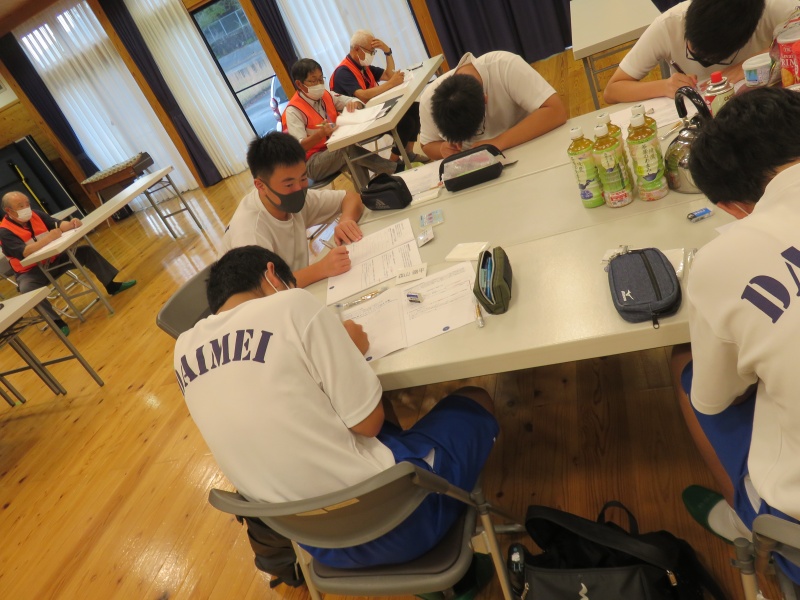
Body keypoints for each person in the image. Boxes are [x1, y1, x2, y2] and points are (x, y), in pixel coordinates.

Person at [174, 245, 499, 569]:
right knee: (475, 399)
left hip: (319, 544)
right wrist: (349, 349)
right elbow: (369, 425)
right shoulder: (291, 304)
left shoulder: (182, 349)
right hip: (402, 523)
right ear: (272, 276)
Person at [670, 87, 800, 584]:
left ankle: (748, 519)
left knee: (688, 371)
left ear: (732, 207)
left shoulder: (721, 260)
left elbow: (716, 398)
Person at [221, 132, 364, 288]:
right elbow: (266, 289)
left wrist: (346, 221)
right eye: (288, 184)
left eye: (303, 178)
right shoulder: (249, 230)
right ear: (261, 186)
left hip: (299, 289)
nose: (298, 188)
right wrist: (321, 268)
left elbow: (351, 198)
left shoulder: (293, 198)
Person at [604, 0, 795, 104]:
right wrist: (664, 86)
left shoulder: (772, 9)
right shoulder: (669, 25)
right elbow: (612, 90)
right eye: (693, 51)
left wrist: (742, 67)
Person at [0, 191, 136, 335]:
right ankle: (57, 322)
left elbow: (57, 224)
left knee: (86, 251)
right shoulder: (4, 232)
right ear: (9, 211)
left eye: (27, 203)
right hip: (31, 272)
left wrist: (71, 224)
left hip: (53, 259)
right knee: (27, 289)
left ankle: (112, 286)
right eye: (21, 206)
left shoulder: (36, 214)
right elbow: (25, 252)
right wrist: (49, 238)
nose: (26, 208)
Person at [418, 51, 567, 160]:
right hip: (478, 166)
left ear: (485, 99)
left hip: (528, 147)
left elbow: (556, 111)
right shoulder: (428, 100)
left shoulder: (505, 66)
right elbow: (427, 145)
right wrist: (442, 149)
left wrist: (498, 142)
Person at [282, 58, 402, 185]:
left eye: (321, 79)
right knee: (347, 151)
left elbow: (352, 100)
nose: (319, 84)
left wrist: (355, 104)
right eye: (313, 81)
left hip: (334, 148)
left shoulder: (325, 94)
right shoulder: (293, 111)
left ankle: (368, 191)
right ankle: (395, 169)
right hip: (311, 163)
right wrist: (320, 134)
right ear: (299, 84)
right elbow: (298, 148)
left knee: (353, 160)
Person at [330, 29, 427, 164]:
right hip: (357, 120)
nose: (372, 55)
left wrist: (387, 51)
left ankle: (409, 154)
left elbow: (389, 75)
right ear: (357, 49)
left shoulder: (363, 66)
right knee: (406, 122)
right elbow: (362, 96)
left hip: (373, 110)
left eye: (374, 51)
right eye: (370, 51)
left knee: (415, 107)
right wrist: (391, 83)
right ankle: (393, 163)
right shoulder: (343, 72)